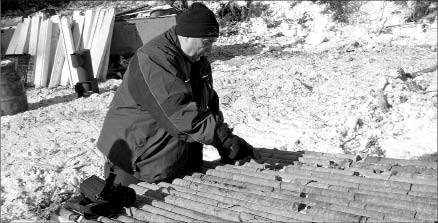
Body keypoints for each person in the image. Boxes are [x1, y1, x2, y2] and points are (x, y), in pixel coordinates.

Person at [97, 2, 259, 186]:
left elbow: (206, 103)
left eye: (212, 43)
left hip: (171, 159)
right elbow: (180, 113)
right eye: (206, 43)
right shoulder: (154, 60)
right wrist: (224, 139)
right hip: (138, 162)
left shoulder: (196, 60)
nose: (209, 50)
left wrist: (224, 139)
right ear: (186, 34)